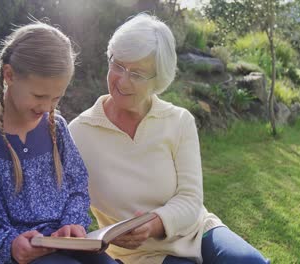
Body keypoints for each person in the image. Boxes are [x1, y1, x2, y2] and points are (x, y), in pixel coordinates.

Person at [68, 14, 270, 264]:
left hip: (196, 231)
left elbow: (190, 198)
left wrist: (155, 224)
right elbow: (67, 210)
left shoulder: (179, 121)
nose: (122, 80)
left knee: (250, 262)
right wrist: (100, 236)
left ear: (159, 79)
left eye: (137, 74)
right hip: (136, 254)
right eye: (118, 65)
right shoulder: (78, 133)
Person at [0, 22, 117, 264]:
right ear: (9, 75)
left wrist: (72, 222)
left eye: (56, 97)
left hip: (61, 241)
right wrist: (8, 245)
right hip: (17, 252)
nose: (47, 107)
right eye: (39, 96)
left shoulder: (57, 127)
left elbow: (77, 186)